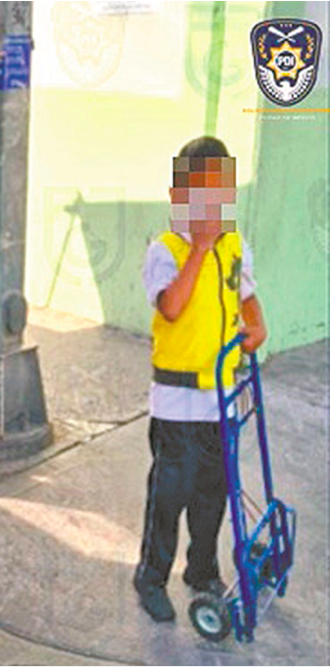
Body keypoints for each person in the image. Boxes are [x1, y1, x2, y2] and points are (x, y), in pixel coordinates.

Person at [134, 136, 268, 621]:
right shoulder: (165, 249)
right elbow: (171, 307)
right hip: (175, 404)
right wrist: (200, 249)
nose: (209, 206)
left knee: (213, 491)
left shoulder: (235, 247)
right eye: (198, 195)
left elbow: (245, 293)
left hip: (221, 399)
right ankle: (150, 576)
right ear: (178, 197)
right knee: (169, 496)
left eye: (217, 195)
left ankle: (202, 568)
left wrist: (257, 323)